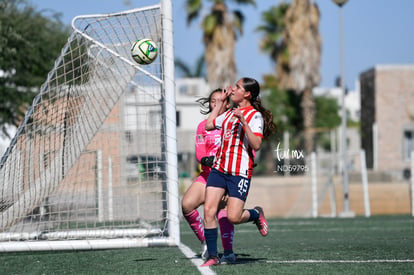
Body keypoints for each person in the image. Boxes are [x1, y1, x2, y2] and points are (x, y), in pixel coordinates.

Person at [201, 77, 276, 266]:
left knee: (233, 217)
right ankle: (212, 256)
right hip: (219, 168)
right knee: (209, 211)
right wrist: (219, 104)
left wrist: (243, 120)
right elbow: (209, 125)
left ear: (247, 94)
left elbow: (257, 145)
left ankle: (256, 214)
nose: (232, 89)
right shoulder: (228, 114)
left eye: (237, 87)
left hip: (239, 172)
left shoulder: (254, 116)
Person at [181, 88, 237, 264]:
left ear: (227, 104)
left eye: (219, 100)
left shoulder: (234, 123)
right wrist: (207, 160)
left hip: (227, 177)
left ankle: (228, 251)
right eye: (213, 100)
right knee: (187, 205)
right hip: (207, 176)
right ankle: (207, 242)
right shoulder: (203, 126)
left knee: (222, 211)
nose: (215, 103)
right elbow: (200, 153)